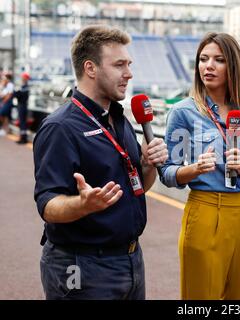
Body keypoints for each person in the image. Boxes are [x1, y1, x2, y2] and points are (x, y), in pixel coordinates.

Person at [33, 25, 168, 300]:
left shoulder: (119, 119)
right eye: (119, 65)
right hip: (81, 264)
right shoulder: (60, 128)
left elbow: (138, 186)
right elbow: (48, 205)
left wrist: (148, 164)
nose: (128, 73)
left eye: (129, 64)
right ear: (91, 68)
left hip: (130, 260)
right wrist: (82, 205)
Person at [160, 32, 240, 300]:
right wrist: (194, 169)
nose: (208, 66)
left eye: (218, 60)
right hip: (205, 209)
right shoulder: (183, 112)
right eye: (203, 59)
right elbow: (167, 172)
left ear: (233, 66)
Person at [15, 72, 30, 144]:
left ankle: (23, 138)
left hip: (22, 106)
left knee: (22, 122)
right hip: (22, 105)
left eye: (23, 77)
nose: (22, 78)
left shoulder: (25, 87)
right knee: (22, 122)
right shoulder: (24, 86)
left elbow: (18, 95)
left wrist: (17, 92)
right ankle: (22, 137)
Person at [0, 72, 14, 136]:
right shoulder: (5, 85)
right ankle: (7, 130)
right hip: (4, 102)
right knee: (7, 116)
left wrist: (3, 102)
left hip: (7, 102)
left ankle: (4, 129)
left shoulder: (10, 85)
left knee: (2, 114)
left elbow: (9, 95)